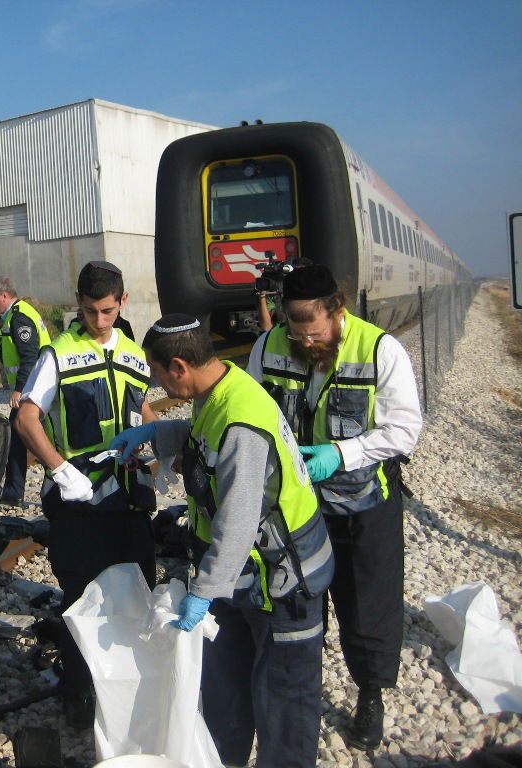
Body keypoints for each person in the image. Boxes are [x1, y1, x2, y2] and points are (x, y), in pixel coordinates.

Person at [111, 313, 334, 768]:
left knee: (283, 707)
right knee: (226, 692)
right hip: (243, 577)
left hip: (284, 583)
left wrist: (204, 591)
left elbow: (238, 521)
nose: (156, 385)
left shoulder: (240, 421)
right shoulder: (217, 389)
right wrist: (157, 432)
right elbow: (203, 441)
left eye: (157, 373)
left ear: (179, 366)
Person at [246, 264, 422, 750]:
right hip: (296, 508)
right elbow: (253, 410)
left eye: (315, 332)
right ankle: (300, 688)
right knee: (297, 601)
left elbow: (405, 430)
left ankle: (371, 694)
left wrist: (341, 454)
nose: (305, 342)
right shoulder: (268, 345)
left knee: (368, 604)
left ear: (336, 310)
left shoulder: (380, 349)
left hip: (364, 505)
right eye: (296, 331)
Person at [14, 260, 157, 728]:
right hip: (78, 504)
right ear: (78, 302)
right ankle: (79, 695)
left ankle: (134, 692)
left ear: (123, 302)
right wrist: (59, 469)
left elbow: (142, 405)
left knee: (139, 595)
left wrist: (162, 439)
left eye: (108, 311)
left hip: (129, 500)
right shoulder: (58, 354)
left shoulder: (134, 353)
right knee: (81, 602)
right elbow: (27, 418)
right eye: (92, 310)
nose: (100, 320)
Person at [0, 276, 51, 506]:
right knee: (19, 439)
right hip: (34, 388)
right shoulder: (12, 316)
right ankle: (14, 492)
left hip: (34, 389)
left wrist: (20, 389)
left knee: (33, 438)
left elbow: (29, 357)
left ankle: (54, 483)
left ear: (4, 296)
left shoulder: (19, 317)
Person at [256, 255, 313, 332]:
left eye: (301, 274)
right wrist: (262, 295)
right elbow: (266, 327)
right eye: (294, 273)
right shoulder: (276, 294)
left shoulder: (313, 296)